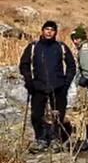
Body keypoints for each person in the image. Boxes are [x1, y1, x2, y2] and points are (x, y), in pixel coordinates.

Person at [19, 21, 76, 154]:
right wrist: (29, 81)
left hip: (58, 87)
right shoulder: (33, 47)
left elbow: (71, 66)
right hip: (38, 87)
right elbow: (24, 65)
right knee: (36, 115)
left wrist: (66, 84)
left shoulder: (61, 47)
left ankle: (56, 139)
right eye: (47, 29)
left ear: (55, 32)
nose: (49, 32)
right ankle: (41, 139)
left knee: (58, 115)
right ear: (42, 31)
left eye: (52, 30)